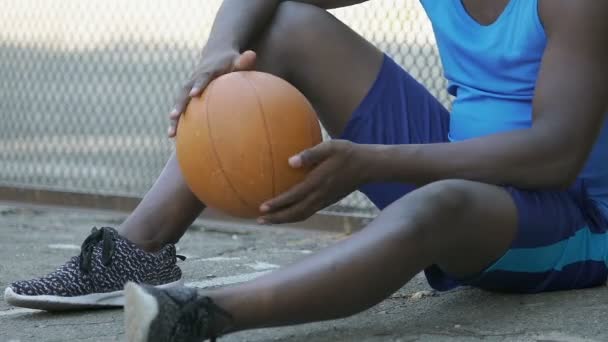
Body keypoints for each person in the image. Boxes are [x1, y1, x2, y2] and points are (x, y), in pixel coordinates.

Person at [5, 0, 608, 340]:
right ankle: (137, 249)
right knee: (288, 24)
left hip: (571, 215)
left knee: (437, 203)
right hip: (463, 165)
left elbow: (555, 155)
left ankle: (200, 316)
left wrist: (374, 163)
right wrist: (223, 45)